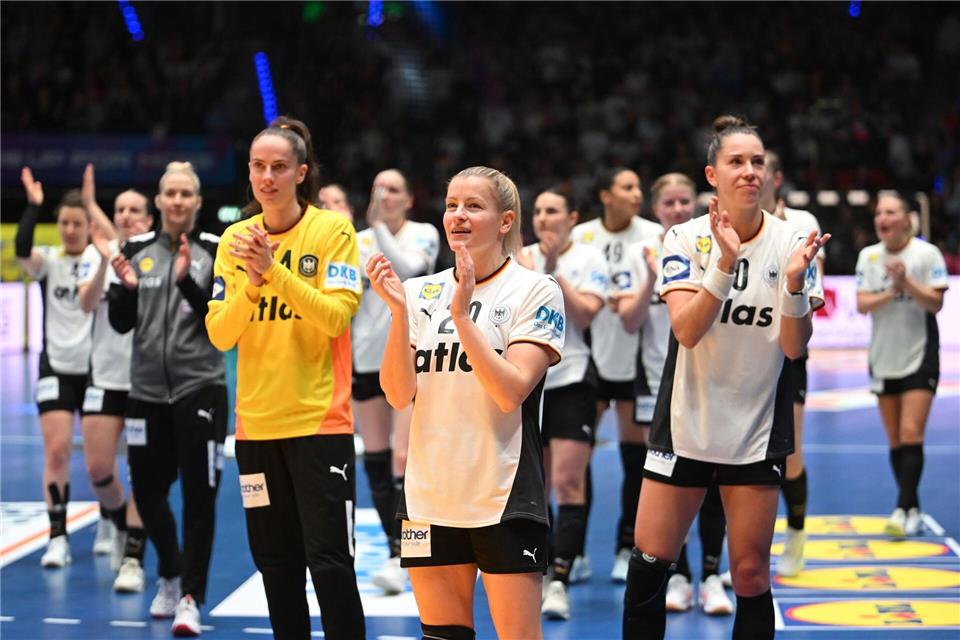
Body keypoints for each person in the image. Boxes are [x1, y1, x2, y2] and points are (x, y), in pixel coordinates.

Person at [621, 115, 829, 640]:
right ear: (712, 175)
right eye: (736, 162)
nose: (749, 171)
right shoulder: (686, 237)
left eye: (757, 162)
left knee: (752, 573)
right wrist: (723, 265)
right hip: (686, 423)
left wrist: (797, 285)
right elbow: (687, 332)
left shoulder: (795, 240)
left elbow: (793, 346)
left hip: (757, 430)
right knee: (650, 562)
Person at [367, 166, 564, 640]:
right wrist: (398, 313)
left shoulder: (535, 290)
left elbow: (510, 391)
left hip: (503, 494)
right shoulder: (418, 292)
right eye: (452, 204)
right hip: (429, 495)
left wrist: (462, 316)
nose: (458, 215)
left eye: (473, 206)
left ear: (504, 221)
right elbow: (397, 394)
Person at [206, 116, 366, 640]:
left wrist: (273, 272)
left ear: (302, 172)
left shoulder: (332, 230)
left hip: (320, 425)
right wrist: (251, 286)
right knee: (276, 569)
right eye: (258, 166)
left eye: (279, 167)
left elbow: (336, 317)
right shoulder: (234, 240)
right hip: (256, 429)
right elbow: (220, 334)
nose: (267, 177)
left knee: (330, 567)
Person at [109, 161, 226, 637]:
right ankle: (171, 573)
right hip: (146, 393)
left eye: (185, 194)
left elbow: (220, 324)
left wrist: (185, 282)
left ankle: (191, 598)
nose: (177, 201)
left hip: (200, 388)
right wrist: (129, 293)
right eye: (170, 193)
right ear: (158, 202)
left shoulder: (216, 251)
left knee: (201, 497)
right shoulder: (133, 251)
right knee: (148, 492)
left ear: (197, 203)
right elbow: (120, 323)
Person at [617, 173, 733, 616]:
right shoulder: (640, 251)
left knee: (717, 483)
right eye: (669, 202)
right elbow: (629, 321)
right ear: (656, 207)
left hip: (715, 381)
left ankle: (709, 576)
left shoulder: (715, 241)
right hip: (658, 382)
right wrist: (652, 279)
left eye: (686, 200)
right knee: (674, 487)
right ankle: (680, 575)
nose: (679, 209)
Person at [516, 188, 607, 621]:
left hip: (573, 379)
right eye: (538, 211)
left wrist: (553, 273)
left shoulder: (589, 258)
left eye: (553, 211)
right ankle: (542, 565)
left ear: (572, 217)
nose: (544, 218)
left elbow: (587, 314)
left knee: (569, 482)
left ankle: (560, 581)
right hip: (530, 383)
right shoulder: (520, 256)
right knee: (539, 485)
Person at [571, 168, 663, 581]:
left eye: (638, 187)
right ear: (606, 195)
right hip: (589, 359)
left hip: (636, 362)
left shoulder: (654, 235)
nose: (637, 194)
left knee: (634, 457)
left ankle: (627, 546)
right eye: (628, 187)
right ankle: (575, 553)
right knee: (577, 458)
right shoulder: (584, 237)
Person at [353, 169, 440, 594]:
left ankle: (413, 549)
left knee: (404, 458)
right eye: (377, 188)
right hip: (365, 360)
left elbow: (407, 273)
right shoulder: (356, 241)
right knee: (375, 459)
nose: (384, 195)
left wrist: (375, 226)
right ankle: (395, 550)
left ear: (408, 199)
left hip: (410, 356)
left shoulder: (422, 233)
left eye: (392, 190)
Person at [76, 164, 153, 592]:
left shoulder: (153, 256)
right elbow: (87, 305)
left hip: (144, 381)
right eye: (119, 209)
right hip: (103, 378)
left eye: (134, 210)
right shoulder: (96, 255)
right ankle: (116, 515)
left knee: (142, 471)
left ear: (148, 219)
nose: (125, 215)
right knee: (99, 470)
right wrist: (105, 263)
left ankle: (134, 558)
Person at [856, 192, 948, 538]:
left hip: (919, 354)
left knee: (912, 433)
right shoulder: (869, 256)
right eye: (879, 212)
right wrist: (892, 291)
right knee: (895, 440)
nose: (883, 218)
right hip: (883, 355)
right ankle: (913, 508)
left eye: (891, 211)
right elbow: (863, 304)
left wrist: (907, 282)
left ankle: (901, 505)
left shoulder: (926, 254)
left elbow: (936, 303)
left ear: (907, 218)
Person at [15, 168, 94, 569]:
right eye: (63, 222)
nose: (69, 230)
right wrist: (33, 207)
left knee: (102, 461)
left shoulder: (100, 262)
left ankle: (113, 522)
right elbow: (22, 248)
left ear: (88, 226)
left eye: (77, 223)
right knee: (57, 451)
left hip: (98, 371)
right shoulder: (49, 263)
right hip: (56, 368)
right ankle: (57, 535)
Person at [758, 150, 826, 577]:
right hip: (739, 354)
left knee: (791, 457)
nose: (752, 173)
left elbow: (809, 299)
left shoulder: (801, 225)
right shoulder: (728, 222)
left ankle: (797, 535)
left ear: (776, 177)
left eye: (760, 165)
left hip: (786, 352)